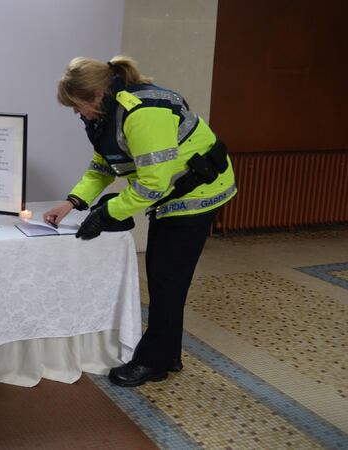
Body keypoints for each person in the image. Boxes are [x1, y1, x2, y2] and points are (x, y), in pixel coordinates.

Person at [44, 55, 237, 387]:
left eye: (77, 107)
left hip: (196, 195)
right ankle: (169, 354)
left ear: (95, 96)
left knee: (166, 280)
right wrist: (74, 201)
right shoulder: (109, 113)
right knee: (167, 279)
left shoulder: (142, 114)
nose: (77, 114)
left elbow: (151, 185)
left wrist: (109, 212)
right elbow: (103, 166)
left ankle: (153, 362)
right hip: (175, 194)